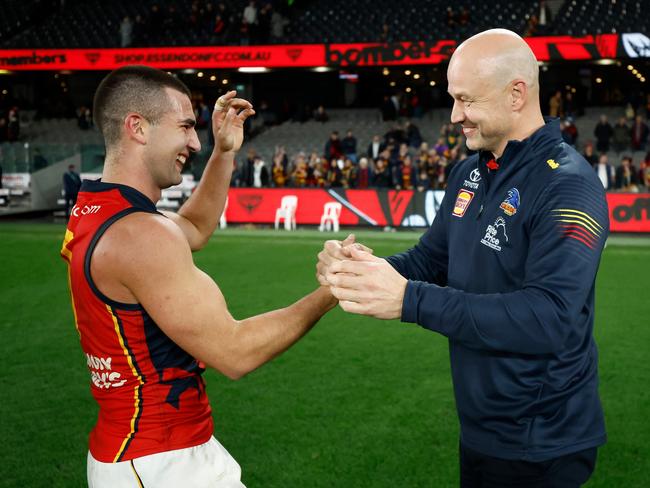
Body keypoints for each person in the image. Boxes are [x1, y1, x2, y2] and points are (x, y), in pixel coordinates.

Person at [318, 29, 608, 487]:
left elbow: (549, 317)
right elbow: (430, 260)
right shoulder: (469, 173)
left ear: (517, 94)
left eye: (466, 100)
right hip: (481, 429)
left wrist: (410, 301)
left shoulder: (568, 184)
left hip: (544, 440)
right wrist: (361, 268)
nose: (455, 116)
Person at [60, 66, 336, 488]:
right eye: (185, 126)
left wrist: (223, 152)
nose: (194, 141)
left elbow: (192, 228)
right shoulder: (139, 235)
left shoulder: (100, 209)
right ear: (138, 127)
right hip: (160, 460)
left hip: (142, 452)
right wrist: (331, 290)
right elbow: (235, 352)